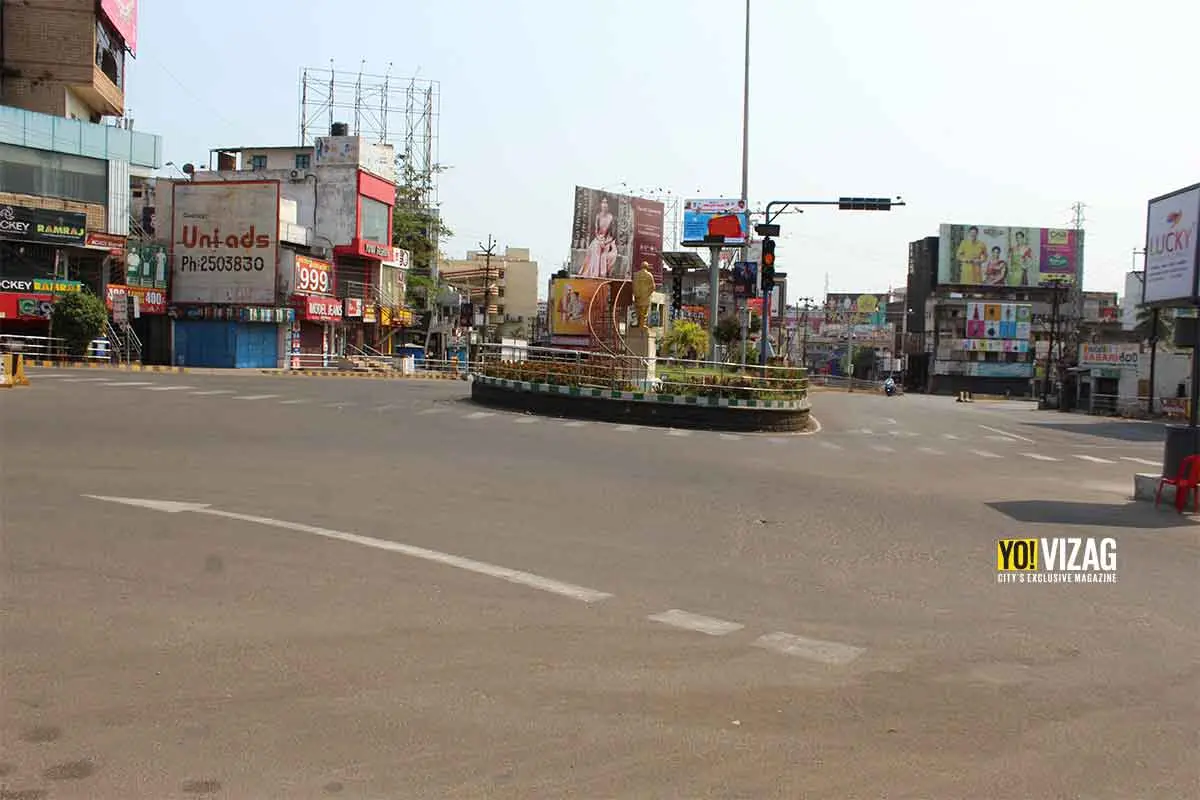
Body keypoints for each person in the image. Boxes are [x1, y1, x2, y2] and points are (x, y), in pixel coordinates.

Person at [580, 197, 618, 278]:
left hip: (608, 239)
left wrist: (606, 242)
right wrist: (600, 240)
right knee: (596, 246)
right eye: (603, 202)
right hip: (599, 238)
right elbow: (596, 232)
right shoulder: (598, 216)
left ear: (609, 205)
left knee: (606, 252)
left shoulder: (611, 217)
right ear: (601, 204)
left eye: (606, 203)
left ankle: (602, 273)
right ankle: (595, 273)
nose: (604, 205)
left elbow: (613, 235)